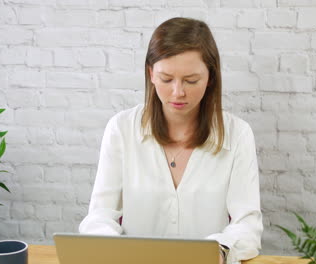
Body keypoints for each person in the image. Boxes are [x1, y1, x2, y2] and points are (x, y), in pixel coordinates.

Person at [79, 17, 263, 264]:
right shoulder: (121, 129)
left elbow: (247, 225)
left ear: (211, 78)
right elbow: (100, 215)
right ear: (151, 74)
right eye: (166, 79)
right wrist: (112, 248)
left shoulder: (238, 134)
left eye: (191, 80)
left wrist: (218, 252)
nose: (178, 92)